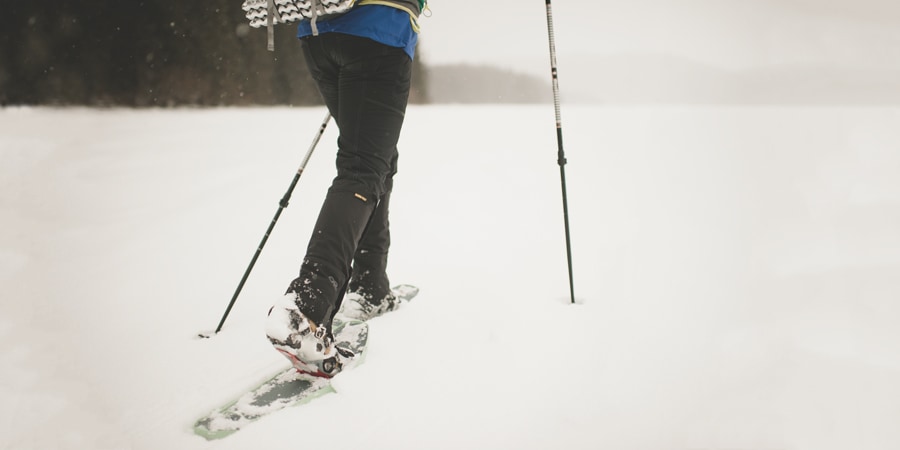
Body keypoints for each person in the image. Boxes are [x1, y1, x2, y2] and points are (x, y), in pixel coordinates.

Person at [265, 0, 425, 378]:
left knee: (376, 158)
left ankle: (370, 284)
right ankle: (307, 308)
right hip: (379, 31)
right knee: (362, 166)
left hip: (320, 35)